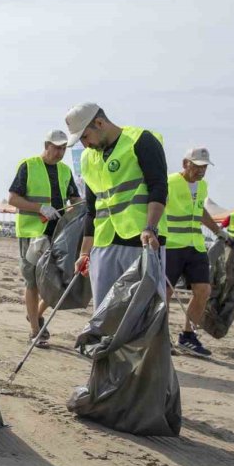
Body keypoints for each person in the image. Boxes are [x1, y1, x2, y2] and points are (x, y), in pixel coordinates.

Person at [65, 103, 169, 312]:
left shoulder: (141, 141)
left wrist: (151, 227)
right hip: (104, 243)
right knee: (104, 313)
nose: (85, 145)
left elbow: (158, 186)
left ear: (100, 123)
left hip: (142, 241)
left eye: (85, 137)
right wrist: (84, 253)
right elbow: (92, 209)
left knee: (143, 312)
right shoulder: (88, 158)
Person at [8, 129, 81, 346]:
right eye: (56, 147)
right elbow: (13, 198)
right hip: (32, 234)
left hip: (58, 233)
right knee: (33, 282)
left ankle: (36, 314)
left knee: (57, 281)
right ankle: (35, 331)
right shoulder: (28, 166)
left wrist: (79, 207)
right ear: (46, 145)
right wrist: (40, 208)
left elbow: (74, 198)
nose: (59, 152)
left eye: (63, 148)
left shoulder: (66, 171)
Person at [164, 147, 229, 356]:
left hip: (195, 246)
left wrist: (218, 231)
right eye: (198, 166)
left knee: (203, 291)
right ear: (186, 163)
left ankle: (188, 336)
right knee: (164, 293)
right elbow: (155, 205)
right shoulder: (169, 182)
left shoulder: (202, 187)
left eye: (205, 167)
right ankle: (160, 337)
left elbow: (200, 211)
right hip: (172, 245)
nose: (201, 171)